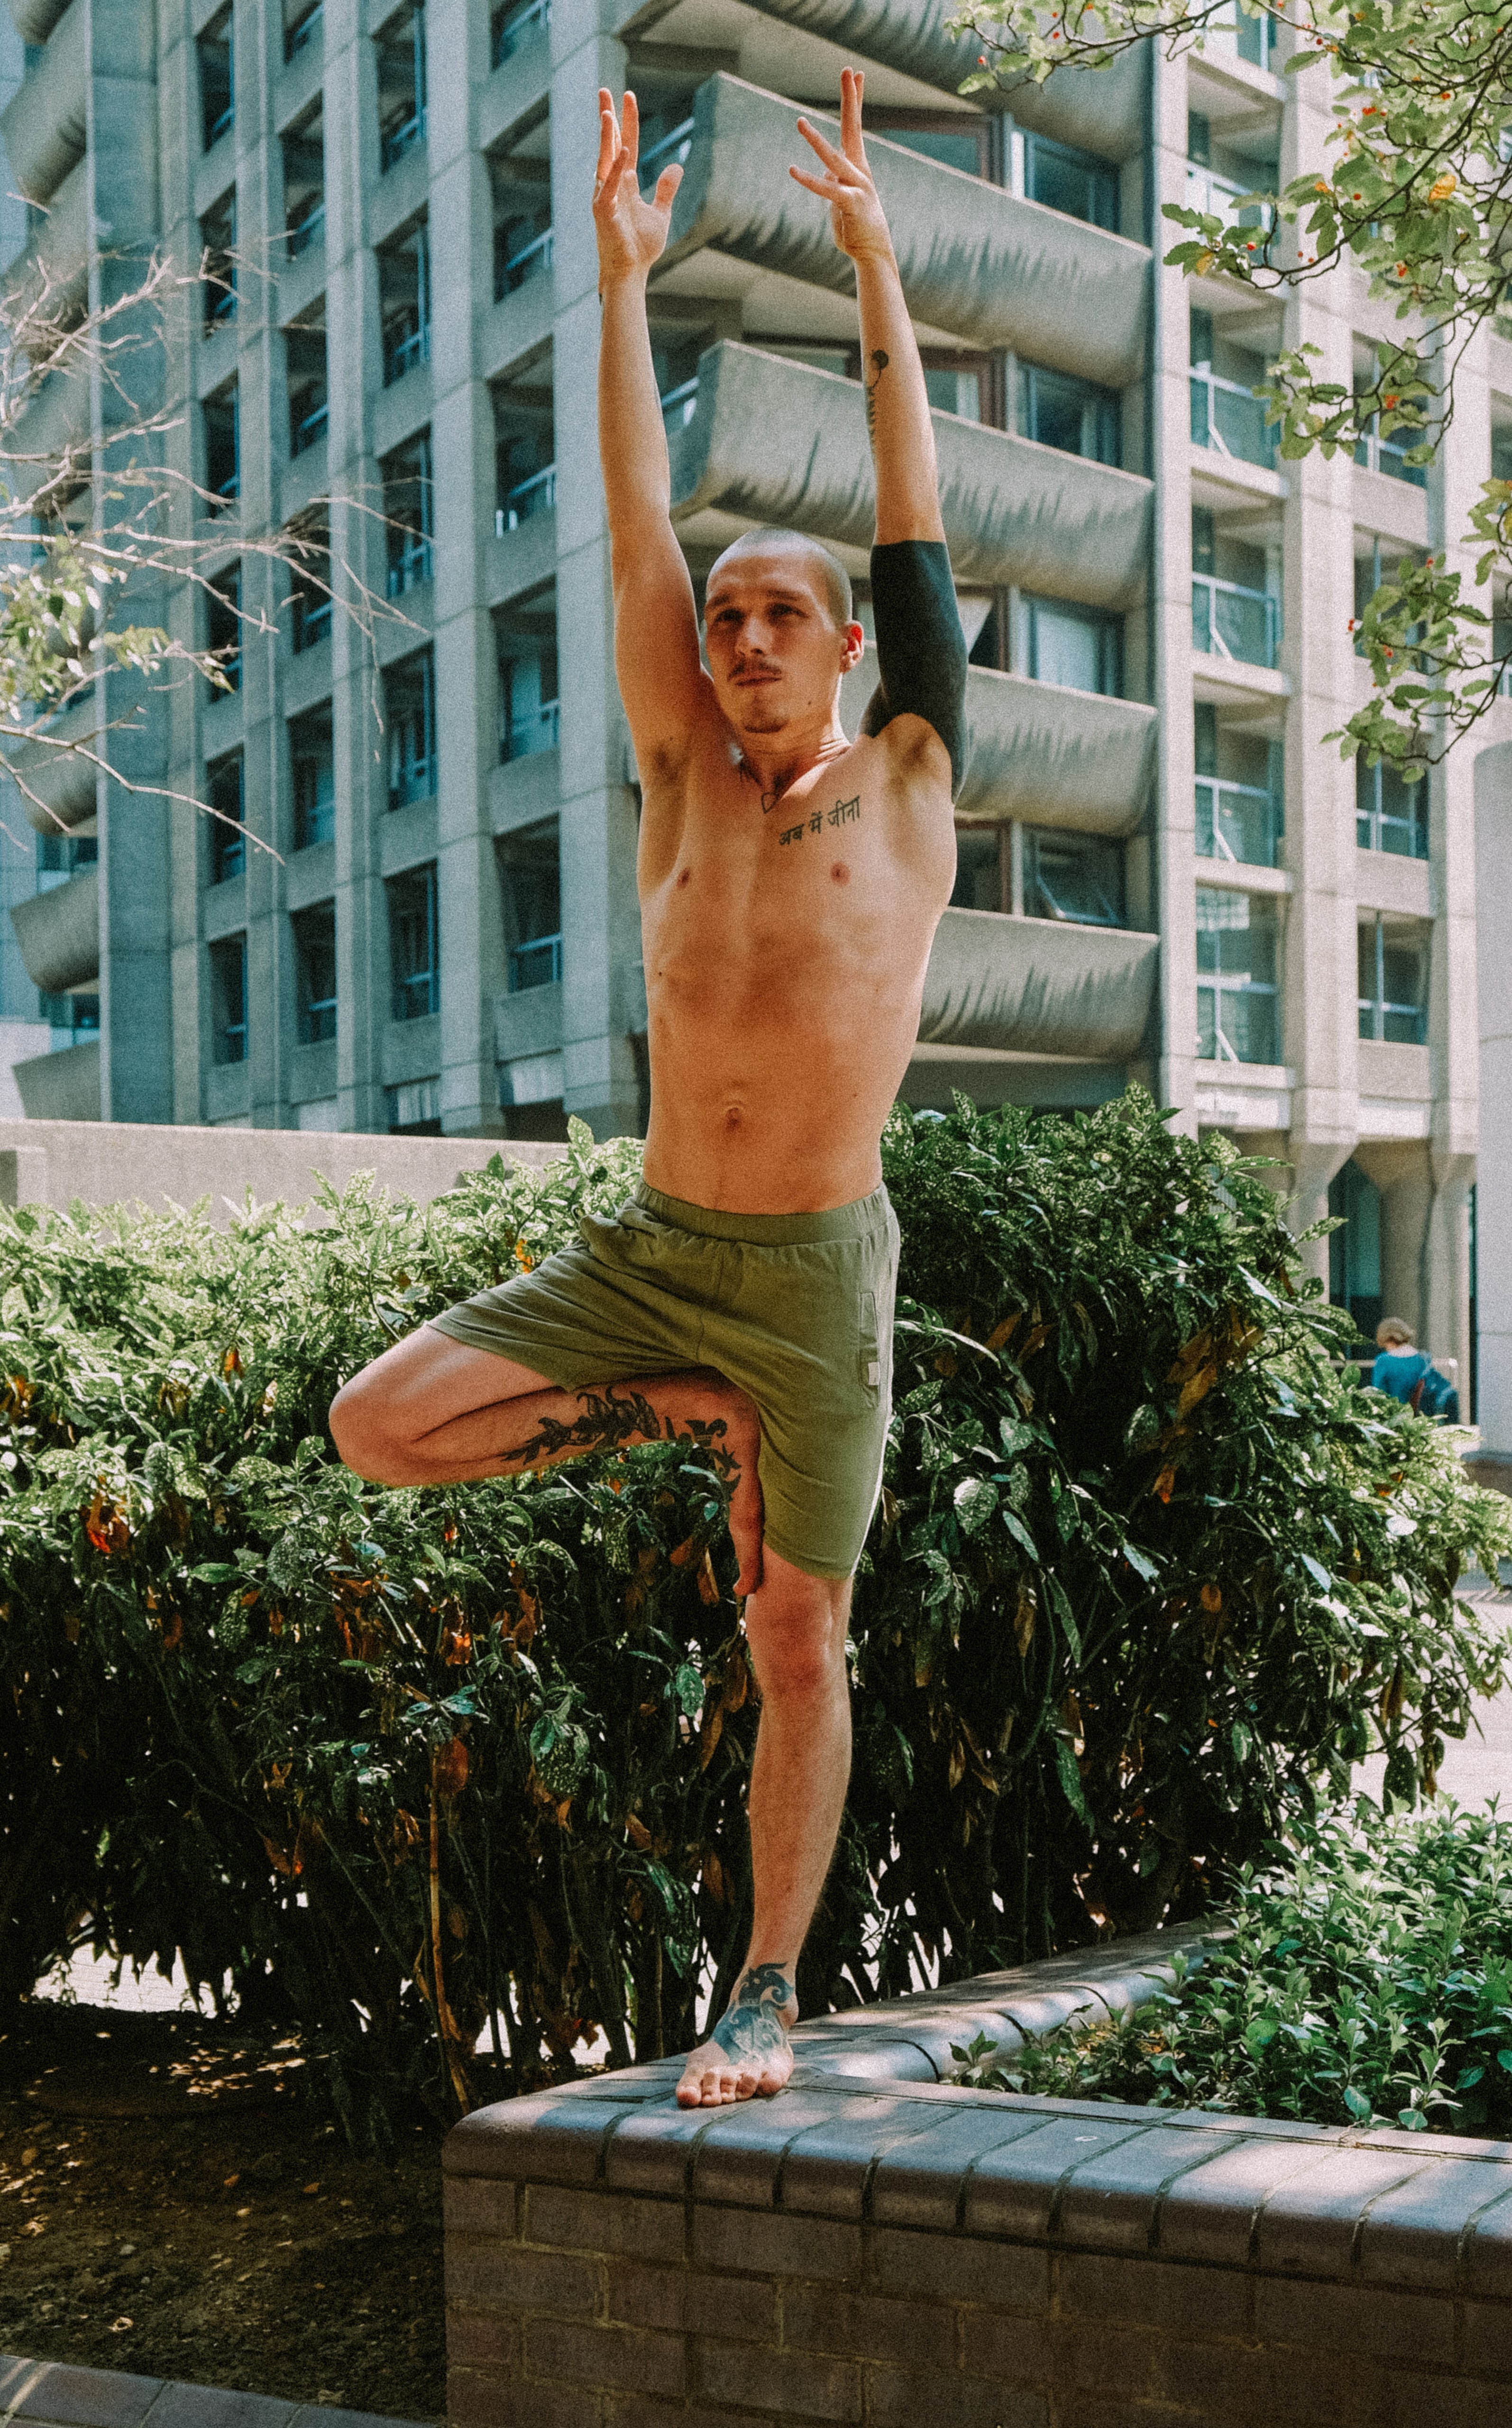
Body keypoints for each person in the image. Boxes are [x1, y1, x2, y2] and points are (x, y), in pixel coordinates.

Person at [328, 69, 965, 2110]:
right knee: (380, 1428)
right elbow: (630, 515)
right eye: (724, 614)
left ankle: (760, 1986)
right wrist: (615, 281)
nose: (742, 630)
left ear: (851, 644)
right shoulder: (677, 780)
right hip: (651, 1253)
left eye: (782, 611)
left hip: (808, 1278)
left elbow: (912, 509)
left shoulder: (913, 780)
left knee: (797, 1640)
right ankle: (683, 1405)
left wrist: (874, 267)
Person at [1370, 1317, 1461, 1424]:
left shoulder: (1383, 1361)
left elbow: (1378, 1394)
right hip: (1420, 1418)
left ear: (1385, 1338)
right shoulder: (1422, 1358)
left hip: (1395, 1419)